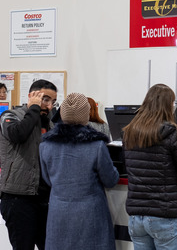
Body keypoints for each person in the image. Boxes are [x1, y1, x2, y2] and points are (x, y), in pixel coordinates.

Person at [123, 84, 177, 250]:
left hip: (137, 218)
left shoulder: (129, 133)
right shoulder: (173, 133)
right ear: (168, 106)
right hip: (164, 216)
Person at [39, 93, 119, 250]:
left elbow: (47, 179)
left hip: (58, 212)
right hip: (91, 214)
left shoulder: (45, 145)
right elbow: (110, 179)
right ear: (85, 115)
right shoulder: (96, 145)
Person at [0, 79, 58, 250]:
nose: (49, 106)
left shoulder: (49, 121)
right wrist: (34, 108)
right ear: (32, 96)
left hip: (44, 198)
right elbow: (18, 134)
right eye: (45, 99)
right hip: (17, 198)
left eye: (53, 101)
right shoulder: (9, 116)